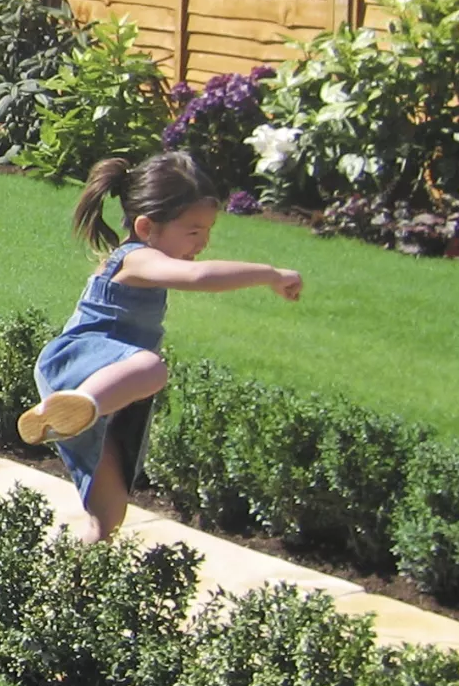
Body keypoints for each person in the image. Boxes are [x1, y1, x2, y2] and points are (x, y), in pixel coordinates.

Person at [17, 152, 302, 543]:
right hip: (80, 364)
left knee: (108, 515)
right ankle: (73, 406)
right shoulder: (136, 258)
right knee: (152, 368)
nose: (204, 241)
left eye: (208, 230)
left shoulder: (145, 256)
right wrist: (270, 274)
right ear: (146, 226)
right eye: (193, 231)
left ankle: (76, 570)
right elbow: (198, 276)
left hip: (104, 387)